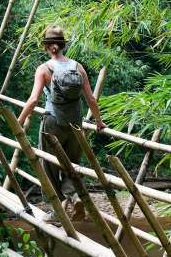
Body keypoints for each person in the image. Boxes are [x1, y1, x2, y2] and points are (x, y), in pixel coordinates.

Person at [17, 25, 106, 216]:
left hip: (52, 123)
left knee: (49, 167)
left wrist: (20, 120)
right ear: (62, 45)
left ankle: (56, 211)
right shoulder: (77, 67)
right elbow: (91, 99)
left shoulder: (44, 69)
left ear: (47, 46)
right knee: (71, 164)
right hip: (75, 124)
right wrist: (99, 122)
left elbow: (33, 99)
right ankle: (75, 196)